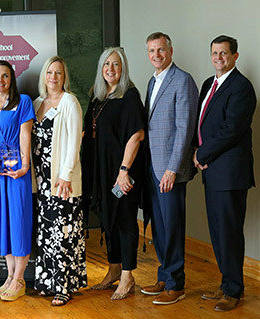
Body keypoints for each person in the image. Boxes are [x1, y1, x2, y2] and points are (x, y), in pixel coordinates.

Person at [194, 35, 256, 312]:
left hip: (229, 173)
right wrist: (199, 153)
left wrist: (201, 154)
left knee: (229, 232)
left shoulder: (242, 87)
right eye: (215, 53)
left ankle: (233, 290)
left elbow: (231, 130)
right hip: (212, 170)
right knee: (218, 232)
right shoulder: (210, 83)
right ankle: (226, 282)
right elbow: (202, 122)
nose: (218, 58)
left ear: (235, 56)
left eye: (224, 53)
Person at [81, 47, 145, 301]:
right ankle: (114, 269)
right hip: (100, 170)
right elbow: (89, 131)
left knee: (125, 220)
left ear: (123, 68)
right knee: (109, 220)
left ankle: (128, 276)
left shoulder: (129, 95)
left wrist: (123, 171)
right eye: (106, 64)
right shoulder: (97, 97)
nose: (110, 69)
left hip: (122, 171)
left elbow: (137, 135)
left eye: (116, 64)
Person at [141, 32, 198, 305]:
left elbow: (185, 129)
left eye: (161, 50)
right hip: (153, 166)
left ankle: (176, 284)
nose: (156, 55)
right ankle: (164, 275)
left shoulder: (182, 80)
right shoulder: (153, 81)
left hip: (170, 170)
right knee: (160, 226)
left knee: (172, 224)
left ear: (170, 51)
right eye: (152, 51)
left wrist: (172, 169)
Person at [0, 60, 35, 302]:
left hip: (16, 173)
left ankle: (20, 279)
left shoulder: (23, 102)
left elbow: (25, 134)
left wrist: (24, 166)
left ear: (11, 78)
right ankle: (10, 276)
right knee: (3, 224)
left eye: (4, 76)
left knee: (18, 223)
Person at [32, 56, 87, 306]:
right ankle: (47, 282)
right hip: (42, 179)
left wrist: (66, 174)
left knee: (63, 233)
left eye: (59, 73)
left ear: (64, 77)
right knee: (46, 232)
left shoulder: (70, 102)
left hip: (62, 179)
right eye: (50, 72)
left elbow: (75, 142)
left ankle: (64, 286)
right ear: (44, 76)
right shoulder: (37, 103)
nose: (53, 77)